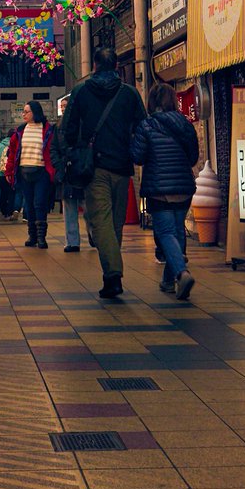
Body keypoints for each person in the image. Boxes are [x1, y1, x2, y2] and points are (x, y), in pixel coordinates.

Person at [61, 47, 145, 298]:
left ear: (95, 65)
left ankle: (113, 275)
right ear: (116, 65)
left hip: (94, 167)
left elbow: (68, 129)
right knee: (114, 223)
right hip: (122, 167)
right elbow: (142, 126)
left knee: (103, 223)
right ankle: (112, 274)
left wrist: (76, 149)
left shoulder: (82, 91)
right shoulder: (129, 93)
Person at [131, 82, 199, 301]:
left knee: (166, 233)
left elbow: (138, 157)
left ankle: (181, 273)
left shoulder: (146, 125)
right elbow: (193, 157)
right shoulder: (185, 124)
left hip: (159, 188)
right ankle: (168, 281)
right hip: (183, 186)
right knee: (177, 230)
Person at [5, 101, 57, 248]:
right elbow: (12, 153)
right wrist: (9, 170)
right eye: (23, 111)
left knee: (39, 203)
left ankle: (41, 237)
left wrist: (52, 171)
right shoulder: (20, 131)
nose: (23, 114)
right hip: (24, 172)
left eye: (27, 111)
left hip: (41, 172)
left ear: (35, 112)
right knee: (29, 205)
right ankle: (32, 236)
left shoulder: (47, 129)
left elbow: (52, 150)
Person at [57, 95, 88, 253]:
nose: (63, 109)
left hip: (79, 168)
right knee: (71, 206)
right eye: (62, 106)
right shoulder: (60, 124)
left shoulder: (80, 122)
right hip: (69, 169)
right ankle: (73, 241)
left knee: (85, 205)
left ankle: (90, 236)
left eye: (65, 106)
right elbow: (55, 147)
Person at [0, 128, 20, 220]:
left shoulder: (0, 145)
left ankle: (3, 211)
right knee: (12, 192)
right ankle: (10, 211)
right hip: (12, 172)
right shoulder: (17, 144)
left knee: (3, 192)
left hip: (1, 173)